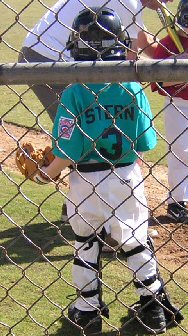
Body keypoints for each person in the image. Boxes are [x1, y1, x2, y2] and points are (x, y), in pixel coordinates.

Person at [25, 7, 183, 334]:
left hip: (85, 181)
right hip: (126, 174)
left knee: (85, 242)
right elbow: (145, 142)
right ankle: (152, 307)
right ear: (119, 42)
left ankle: (88, 309)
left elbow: (68, 149)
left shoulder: (74, 92)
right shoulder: (132, 87)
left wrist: (47, 173)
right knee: (136, 241)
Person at [18, 0, 173, 222]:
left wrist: (178, 52)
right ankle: (98, 219)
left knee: (86, 133)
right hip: (48, 59)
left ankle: (82, 210)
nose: (169, 2)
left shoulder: (130, 5)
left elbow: (142, 40)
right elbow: (125, 65)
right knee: (84, 134)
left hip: (49, 56)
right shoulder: (128, 3)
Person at [151, 0, 188, 223]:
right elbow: (158, 83)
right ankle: (177, 203)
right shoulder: (169, 44)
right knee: (182, 152)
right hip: (179, 105)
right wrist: (178, 69)